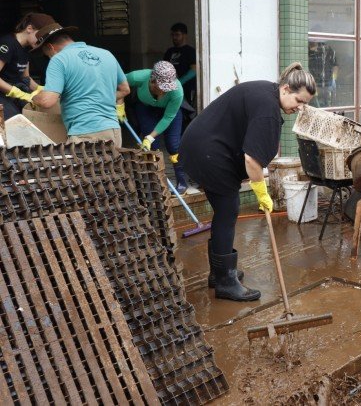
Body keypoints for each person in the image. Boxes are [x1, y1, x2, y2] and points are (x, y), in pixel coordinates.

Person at [180, 63, 316, 302]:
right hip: (208, 153)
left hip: (199, 147)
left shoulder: (266, 92)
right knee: (228, 210)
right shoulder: (268, 110)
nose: (300, 107)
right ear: (285, 89)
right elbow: (252, 160)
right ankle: (225, 282)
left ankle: (219, 273)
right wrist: (262, 193)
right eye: (299, 100)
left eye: (305, 103)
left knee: (224, 211)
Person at [32, 21, 130, 146]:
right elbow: (125, 89)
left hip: (85, 134)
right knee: (110, 166)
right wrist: (97, 97)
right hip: (113, 131)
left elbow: (47, 101)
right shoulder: (106, 54)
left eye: (47, 55)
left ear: (51, 47)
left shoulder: (59, 59)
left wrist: (34, 97)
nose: (49, 57)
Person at [120, 61, 188, 193]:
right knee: (151, 147)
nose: (165, 90)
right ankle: (156, 184)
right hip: (146, 108)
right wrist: (119, 103)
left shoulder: (177, 91)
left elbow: (168, 117)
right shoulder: (137, 77)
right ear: (153, 80)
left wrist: (151, 136)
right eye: (162, 86)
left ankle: (182, 182)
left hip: (169, 112)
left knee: (173, 145)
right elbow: (117, 82)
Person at [0, 13, 54, 118]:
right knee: (15, 119)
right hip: (3, 92)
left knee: (35, 113)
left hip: (14, 90)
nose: (42, 41)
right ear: (29, 28)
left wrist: (41, 89)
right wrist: (20, 94)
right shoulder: (7, 43)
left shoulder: (27, 48)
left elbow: (25, 77)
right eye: (41, 36)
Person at [163, 22, 197, 116]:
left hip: (187, 88)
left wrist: (179, 82)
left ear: (185, 35)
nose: (174, 37)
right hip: (170, 88)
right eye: (173, 35)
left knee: (186, 112)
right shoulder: (169, 51)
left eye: (177, 35)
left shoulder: (190, 51)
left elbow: (194, 70)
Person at [308, 40, 338, 106]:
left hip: (328, 84)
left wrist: (333, 79)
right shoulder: (308, 52)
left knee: (327, 104)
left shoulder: (329, 51)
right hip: (314, 84)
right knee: (315, 105)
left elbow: (335, 66)